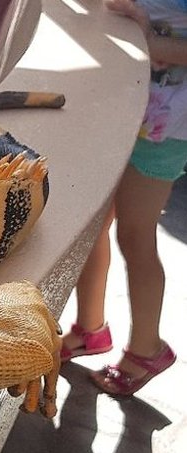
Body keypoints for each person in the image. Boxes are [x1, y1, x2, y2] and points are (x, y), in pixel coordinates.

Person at [61, 0, 181, 395]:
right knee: (92, 221)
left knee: (135, 233)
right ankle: (90, 327)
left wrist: (152, 40)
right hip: (124, 101)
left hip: (166, 125)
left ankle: (148, 348)